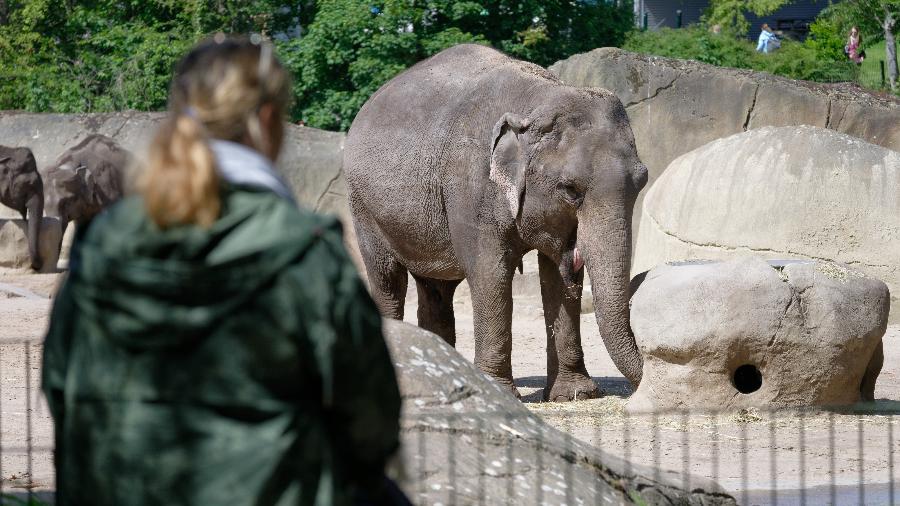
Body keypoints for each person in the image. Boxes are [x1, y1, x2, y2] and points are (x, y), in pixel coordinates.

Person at [42, 36, 404, 506]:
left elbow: (59, 387)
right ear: (268, 121)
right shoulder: (305, 249)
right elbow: (372, 420)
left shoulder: (102, 241)